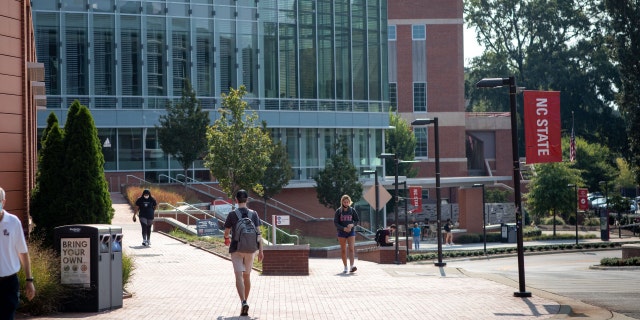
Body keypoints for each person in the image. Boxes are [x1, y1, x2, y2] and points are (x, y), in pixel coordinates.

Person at [223, 190, 264, 317]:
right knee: (247, 276)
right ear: (247, 199)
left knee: (238, 276)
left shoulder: (232, 214)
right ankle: (245, 302)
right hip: (251, 249)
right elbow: (258, 234)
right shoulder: (254, 214)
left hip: (236, 248)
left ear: (236, 200)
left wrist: (226, 238)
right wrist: (261, 251)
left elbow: (226, 232)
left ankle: (243, 302)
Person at [0, 187, 36, 320]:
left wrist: (29, 280)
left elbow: (23, 253)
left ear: (3, 202)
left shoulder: (13, 222)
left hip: (8, 283)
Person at [333, 195, 360, 273]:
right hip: (341, 232)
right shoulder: (338, 211)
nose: (346, 203)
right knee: (343, 250)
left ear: (349, 202)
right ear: (342, 202)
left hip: (351, 232)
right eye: (344, 202)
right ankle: (345, 267)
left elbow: (357, 220)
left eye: (347, 202)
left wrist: (352, 225)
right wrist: (343, 228)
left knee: (351, 248)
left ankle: (352, 266)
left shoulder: (352, 210)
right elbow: (336, 223)